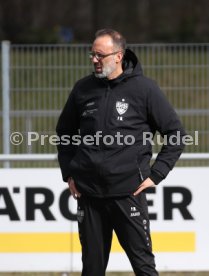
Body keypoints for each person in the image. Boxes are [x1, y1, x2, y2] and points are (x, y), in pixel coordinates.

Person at [56, 29, 186, 276]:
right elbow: (64, 132)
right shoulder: (83, 89)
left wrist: (156, 174)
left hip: (128, 193)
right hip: (89, 194)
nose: (94, 60)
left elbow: (176, 134)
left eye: (100, 55)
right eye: (92, 54)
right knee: (92, 269)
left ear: (118, 56)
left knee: (144, 267)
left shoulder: (144, 89)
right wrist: (69, 174)